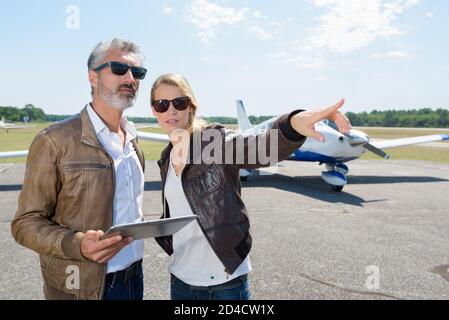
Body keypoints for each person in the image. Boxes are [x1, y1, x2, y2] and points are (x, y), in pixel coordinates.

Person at [150, 73, 352, 300]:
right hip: (181, 279)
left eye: (179, 102)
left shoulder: (214, 142)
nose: (171, 110)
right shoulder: (166, 157)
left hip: (224, 280)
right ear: (153, 110)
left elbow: (261, 147)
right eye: (161, 104)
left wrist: (293, 125)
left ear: (191, 106)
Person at [11, 38, 148, 300]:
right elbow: (25, 223)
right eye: (119, 69)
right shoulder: (54, 140)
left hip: (133, 280)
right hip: (80, 288)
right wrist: (78, 245)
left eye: (137, 72)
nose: (131, 78)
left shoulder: (133, 142)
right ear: (92, 77)